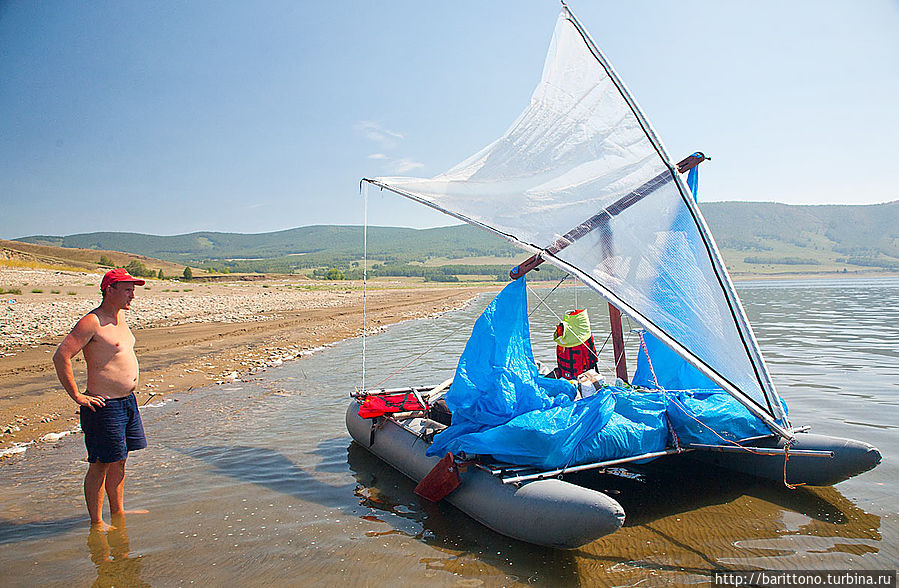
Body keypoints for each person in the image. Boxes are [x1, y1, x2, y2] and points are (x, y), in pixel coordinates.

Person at [53, 268, 148, 528]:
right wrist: (76, 396)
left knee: (120, 460)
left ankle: (118, 513)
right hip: (103, 405)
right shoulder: (92, 321)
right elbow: (61, 356)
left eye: (133, 289)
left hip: (127, 403)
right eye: (128, 289)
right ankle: (96, 523)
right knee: (100, 465)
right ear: (110, 289)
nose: (133, 295)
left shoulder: (120, 318)